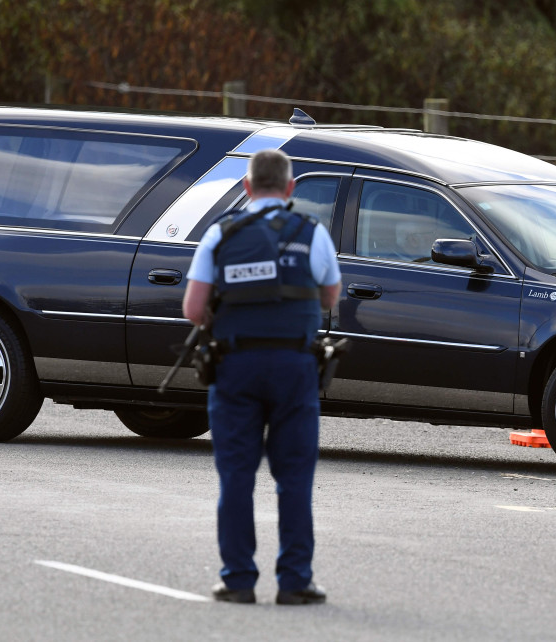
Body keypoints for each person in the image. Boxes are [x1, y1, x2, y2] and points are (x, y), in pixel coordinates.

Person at [182, 149, 341, 605]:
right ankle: (294, 582)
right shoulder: (312, 233)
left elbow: (193, 310)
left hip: (235, 368)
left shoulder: (221, 233)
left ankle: (237, 580)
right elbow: (330, 297)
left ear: (248, 187)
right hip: (294, 369)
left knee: (236, 476)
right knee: (293, 478)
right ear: (290, 190)